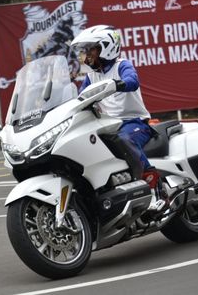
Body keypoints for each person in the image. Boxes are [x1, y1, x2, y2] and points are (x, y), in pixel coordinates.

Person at [71, 25, 166, 211]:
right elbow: (79, 99)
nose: (87, 55)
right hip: (108, 126)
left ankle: (155, 190)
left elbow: (132, 80)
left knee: (124, 138)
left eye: (91, 49)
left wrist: (118, 83)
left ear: (106, 47)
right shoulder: (92, 76)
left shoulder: (122, 65)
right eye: (86, 51)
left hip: (134, 122)